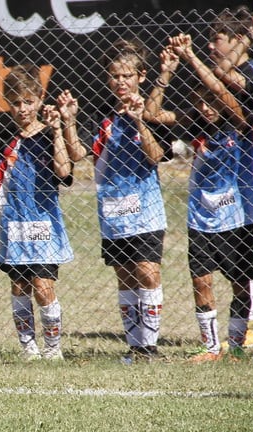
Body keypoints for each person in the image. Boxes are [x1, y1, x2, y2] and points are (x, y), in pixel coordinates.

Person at [146, 34, 253, 362]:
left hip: (236, 217)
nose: (206, 108)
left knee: (241, 284)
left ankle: (236, 346)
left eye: (211, 102)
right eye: (200, 102)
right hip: (201, 218)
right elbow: (153, 113)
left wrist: (191, 57)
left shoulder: (239, 124)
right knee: (201, 282)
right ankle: (211, 347)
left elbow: (222, 92)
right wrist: (166, 73)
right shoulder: (196, 125)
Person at [0, 66, 87, 362]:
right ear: (8, 102)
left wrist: (58, 129)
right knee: (19, 285)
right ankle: (28, 348)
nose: (22, 108)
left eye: (28, 101)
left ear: (39, 99)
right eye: (16, 102)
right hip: (14, 225)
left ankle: (52, 348)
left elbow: (64, 170)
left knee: (43, 286)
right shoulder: (2, 135)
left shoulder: (48, 132)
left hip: (44, 224)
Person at [90, 39, 168, 363]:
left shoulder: (150, 112)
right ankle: (134, 347)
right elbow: (91, 161)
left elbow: (157, 156)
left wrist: (138, 120)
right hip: (114, 211)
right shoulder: (103, 116)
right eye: (115, 76)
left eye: (127, 76)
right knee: (125, 276)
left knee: (148, 272)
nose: (120, 82)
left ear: (141, 76)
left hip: (146, 211)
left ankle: (149, 347)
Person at [205, 8, 253, 349]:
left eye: (218, 38)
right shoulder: (242, 68)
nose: (210, 44)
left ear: (235, 41)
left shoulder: (248, 70)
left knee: (244, 253)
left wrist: (249, 36)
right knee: (243, 254)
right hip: (234, 177)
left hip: (248, 175)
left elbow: (220, 71)